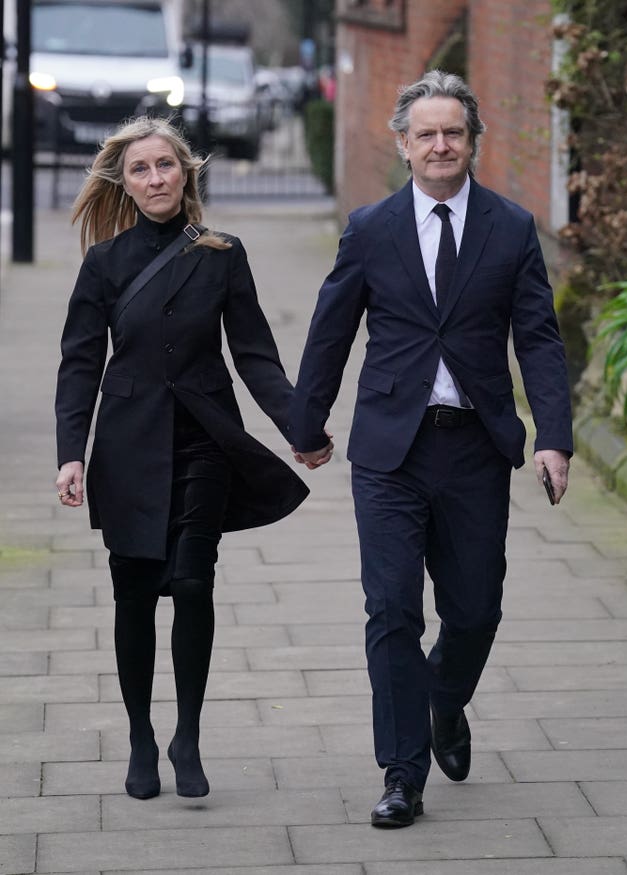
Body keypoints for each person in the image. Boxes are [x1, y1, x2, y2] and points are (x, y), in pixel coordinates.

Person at [288, 70, 572, 828]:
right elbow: (330, 329)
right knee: (390, 610)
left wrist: (554, 436)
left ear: (471, 141)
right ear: (404, 144)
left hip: (476, 448)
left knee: (475, 609)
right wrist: (307, 424)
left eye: (454, 132)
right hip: (391, 450)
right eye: (427, 134)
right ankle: (401, 771)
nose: (441, 145)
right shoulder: (371, 228)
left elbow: (539, 339)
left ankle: (445, 699)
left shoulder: (510, 228)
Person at [55, 116, 309, 801]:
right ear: (125, 181)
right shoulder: (103, 264)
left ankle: (187, 733)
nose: (155, 178)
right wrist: (68, 454)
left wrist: (300, 425)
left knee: (194, 584)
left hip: (204, 436)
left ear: (185, 172)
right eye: (140, 169)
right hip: (127, 446)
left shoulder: (222, 253)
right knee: (135, 594)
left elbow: (256, 355)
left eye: (165, 164)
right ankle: (141, 732)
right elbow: (79, 364)